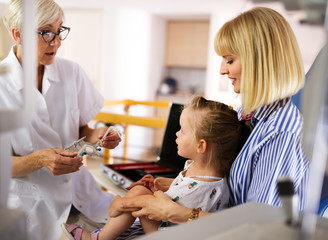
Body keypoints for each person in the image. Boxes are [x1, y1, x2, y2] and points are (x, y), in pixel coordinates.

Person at [108, 7, 309, 228]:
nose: (223, 70)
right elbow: (226, 190)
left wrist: (179, 212)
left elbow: (259, 225)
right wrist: (181, 187)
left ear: (259, 62)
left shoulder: (281, 133)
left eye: (230, 60)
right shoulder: (250, 114)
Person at [0, 0, 121, 239]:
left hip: (81, 196)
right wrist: (40, 159)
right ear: (18, 34)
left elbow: (83, 128)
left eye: (59, 30)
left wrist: (100, 134)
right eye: (46, 33)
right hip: (29, 206)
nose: (57, 42)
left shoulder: (71, 72)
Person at [61, 95, 252, 240]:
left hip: (163, 233)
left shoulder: (203, 187)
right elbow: (186, 191)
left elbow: (175, 203)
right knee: (141, 190)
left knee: (138, 193)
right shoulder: (205, 171)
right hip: (174, 225)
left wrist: (121, 204)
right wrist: (166, 185)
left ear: (201, 146)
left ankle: (100, 238)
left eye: (182, 131)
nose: (176, 134)